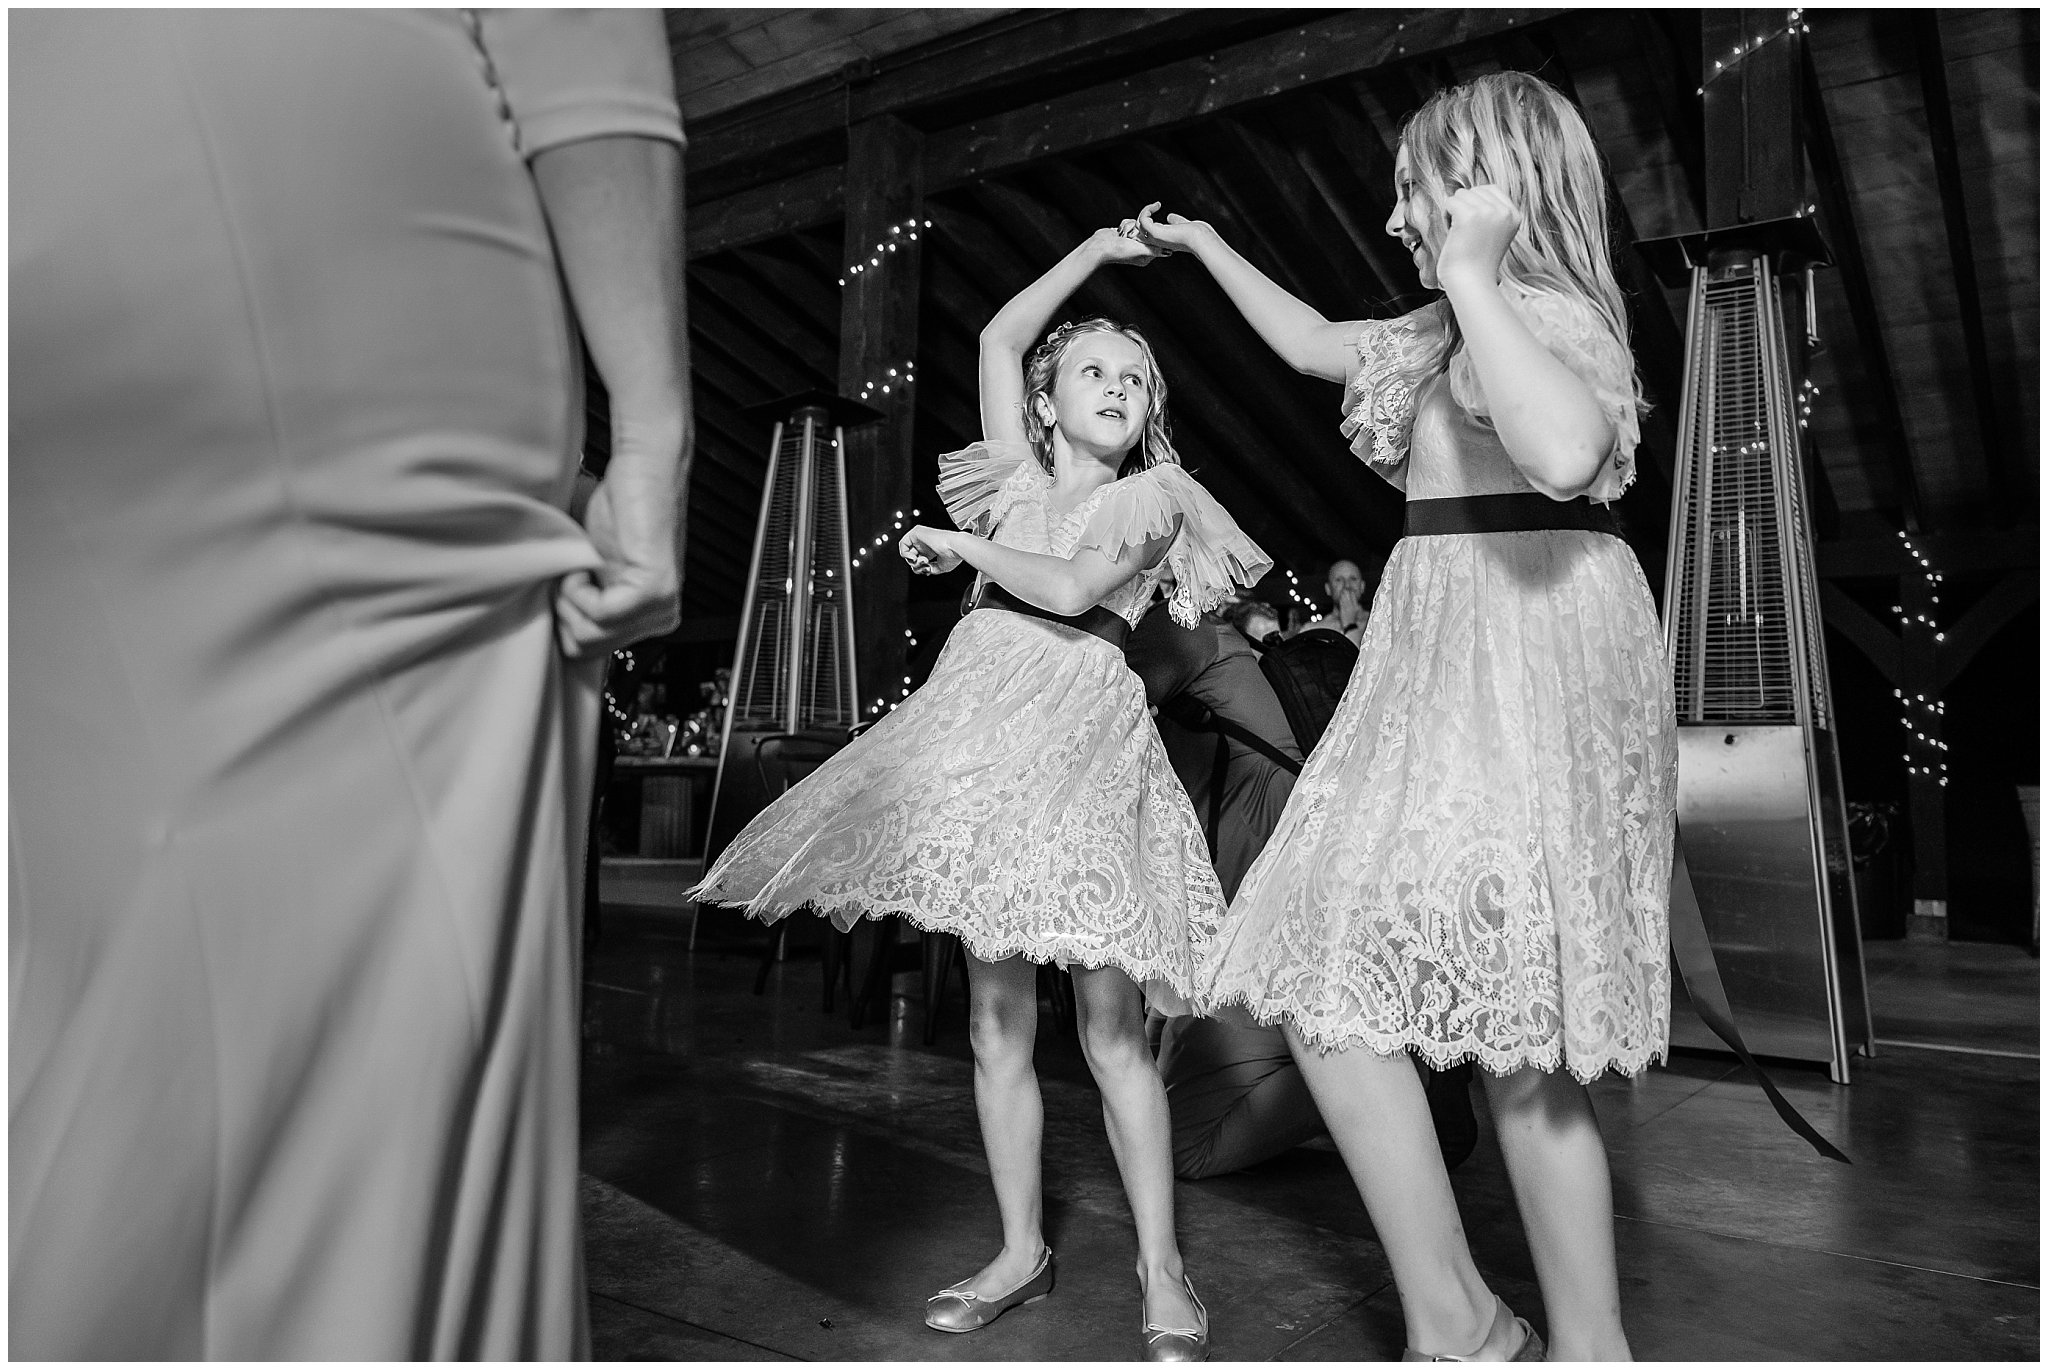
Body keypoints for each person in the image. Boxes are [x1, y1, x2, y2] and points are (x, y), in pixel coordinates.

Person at [11, 11, 688, 1359]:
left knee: (91, 948)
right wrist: (654, 427)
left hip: (43, 180)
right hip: (334, 190)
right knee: (378, 991)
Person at [1139, 69, 1677, 1362]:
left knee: (1518, 1042)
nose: (1395, 218)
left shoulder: (1554, 319)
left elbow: (1558, 454)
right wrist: (1205, 242)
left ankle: (1582, 1344)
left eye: (1418, 189)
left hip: (1532, 662)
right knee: (1325, 968)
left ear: (1497, 183)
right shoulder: (1445, 327)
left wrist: (1482, 274)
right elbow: (1316, 339)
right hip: (1437, 664)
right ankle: (1464, 1321)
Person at [690, 226, 1268, 1361]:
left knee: (1108, 1025)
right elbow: (1003, 332)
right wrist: (1096, 249)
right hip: (983, 756)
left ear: (1149, 412)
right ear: (1047, 403)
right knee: (993, 1015)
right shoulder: (1013, 477)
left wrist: (957, 545)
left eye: (1134, 377)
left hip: (1086, 756)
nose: (1114, 385)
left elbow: (1063, 587)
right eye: (1091, 369)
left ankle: (1162, 1263)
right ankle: (1019, 1249)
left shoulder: (1155, 497)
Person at [1125, 603, 1479, 1183]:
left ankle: (1396, 1061)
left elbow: (1078, 691)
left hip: (1297, 932)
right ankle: (1379, 1048)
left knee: (1183, 1142)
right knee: (1161, 1096)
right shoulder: (1213, 647)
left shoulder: (1179, 632)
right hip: (1286, 925)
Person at [1299, 558, 1370, 644]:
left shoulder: (1378, 624)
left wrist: (1349, 624)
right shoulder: (1313, 631)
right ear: (1328, 589)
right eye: (1339, 580)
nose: (1347, 585)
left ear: (1362, 586)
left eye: (1353, 579)